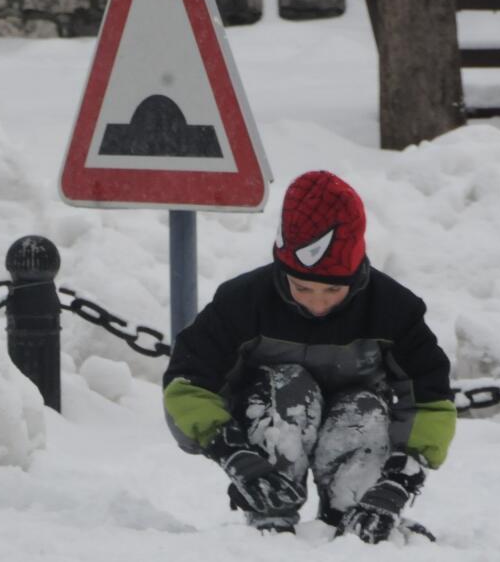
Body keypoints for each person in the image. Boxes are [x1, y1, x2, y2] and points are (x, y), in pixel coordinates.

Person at [162, 170, 456, 542]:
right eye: (303, 287)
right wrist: (231, 452)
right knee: (286, 387)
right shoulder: (242, 304)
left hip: (355, 426)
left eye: (333, 289)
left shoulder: (393, 310)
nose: (318, 304)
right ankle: (271, 518)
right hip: (274, 423)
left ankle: (355, 520)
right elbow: (187, 388)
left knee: (363, 407)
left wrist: (401, 479)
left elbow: (431, 401)